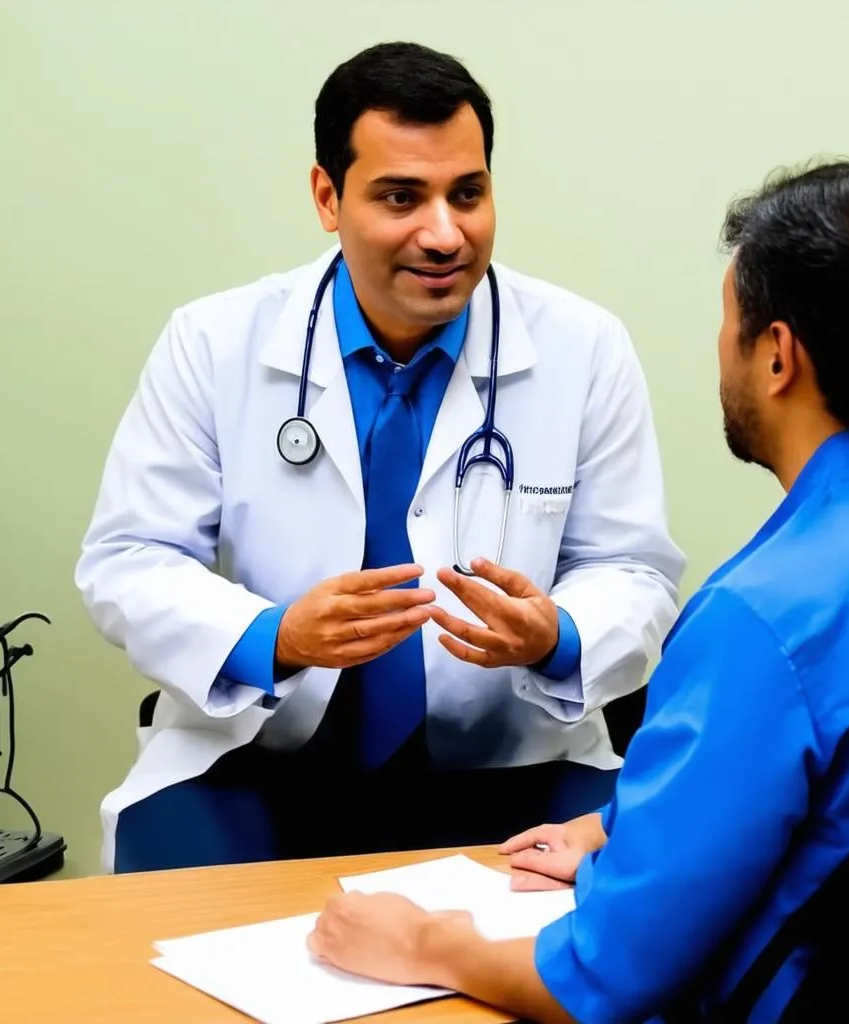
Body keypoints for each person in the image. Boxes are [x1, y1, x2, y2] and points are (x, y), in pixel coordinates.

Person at [307, 161, 849, 1023]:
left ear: (778, 356)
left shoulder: (763, 625)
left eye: (730, 320)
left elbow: (598, 983)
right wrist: (621, 825)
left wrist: (419, 941)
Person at [74, 41, 685, 874]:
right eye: (402, 197)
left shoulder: (584, 348)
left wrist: (559, 634)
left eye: (467, 194)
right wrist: (274, 635)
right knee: (179, 955)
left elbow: (633, 568)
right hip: (258, 756)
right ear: (327, 196)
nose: (444, 234)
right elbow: (129, 559)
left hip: (515, 758)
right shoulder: (214, 341)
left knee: (587, 962)